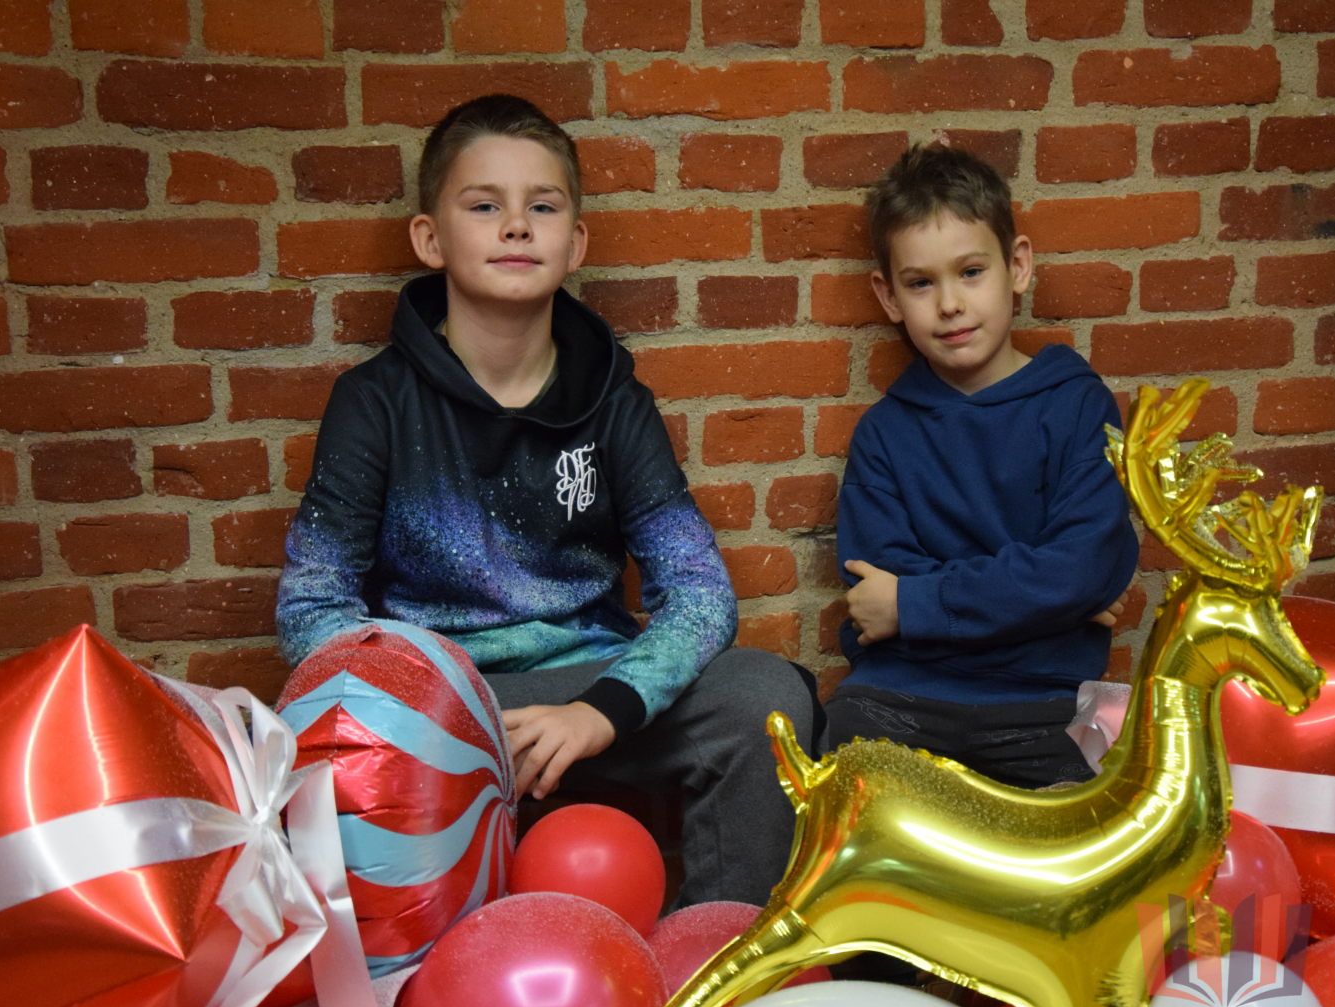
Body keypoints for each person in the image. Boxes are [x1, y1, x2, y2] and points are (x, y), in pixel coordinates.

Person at [276, 94, 815, 908]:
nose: (516, 227)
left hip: (587, 692)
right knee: (305, 724)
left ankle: (719, 955)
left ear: (575, 243)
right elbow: (312, 609)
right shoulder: (374, 402)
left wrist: (600, 711)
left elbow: (699, 593)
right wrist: (439, 710)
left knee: (764, 699)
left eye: (543, 206)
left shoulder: (614, 400)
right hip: (438, 708)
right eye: (484, 205)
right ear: (430, 238)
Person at [827, 142, 1139, 790]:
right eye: (921, 283)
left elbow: (1081, 567)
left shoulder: (1078, 406)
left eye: (971, 272)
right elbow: (872, 605)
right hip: (904, 695)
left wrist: (913, 603)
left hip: (1044, 702)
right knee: (847, 770)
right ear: (889, 296)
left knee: (1095, 817)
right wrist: (1054, 605)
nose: (949, 304)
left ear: (1017, 266)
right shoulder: (883, 434)